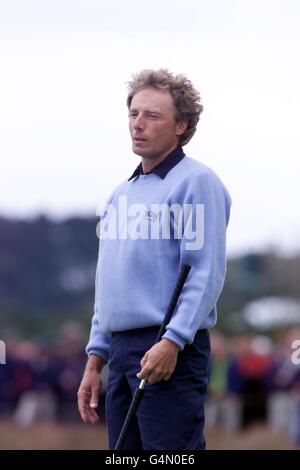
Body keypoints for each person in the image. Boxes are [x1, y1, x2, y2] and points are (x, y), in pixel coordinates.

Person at [77, 69, 231, 450]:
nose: (138, 124)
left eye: (152, 116)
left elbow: (204, 272)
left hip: (168, 348)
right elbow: (108, 282)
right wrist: (95, 358)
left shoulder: (196, 182)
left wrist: (173, 341)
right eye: (133, 113)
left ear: (181, 124)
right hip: (121, 351)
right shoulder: (119, 194)